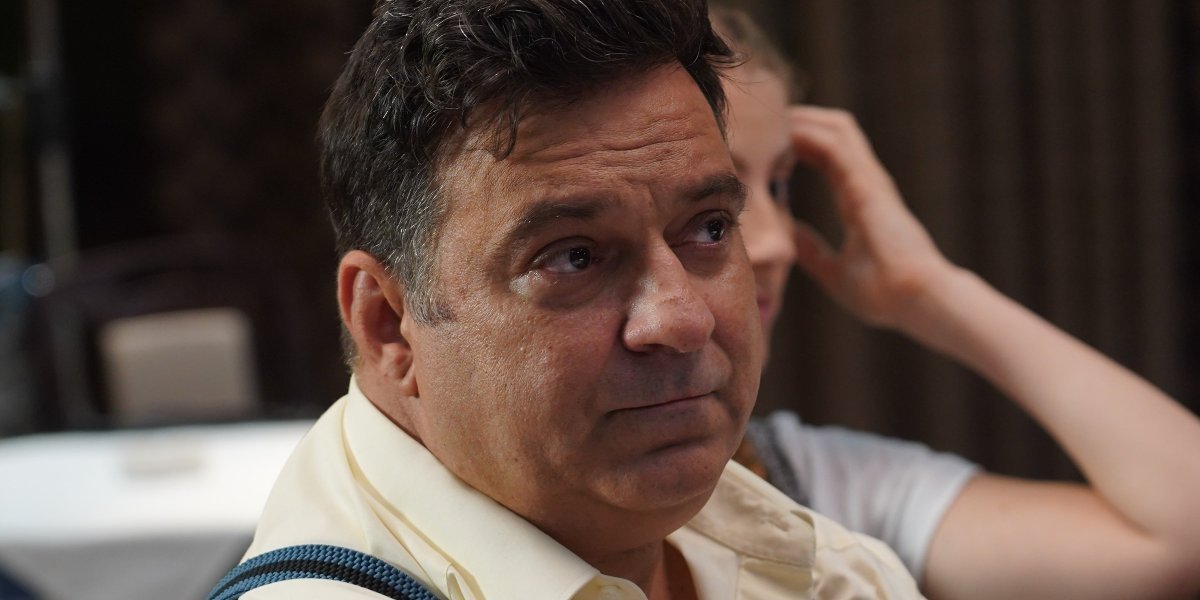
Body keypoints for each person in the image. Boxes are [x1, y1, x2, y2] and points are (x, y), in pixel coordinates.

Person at [227, 1, 925, 598]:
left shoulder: (831, 573)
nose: (681, 318)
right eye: (575, 257)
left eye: (710, 228)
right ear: (388, 325)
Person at [712, 7, 1200, 599]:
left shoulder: (817, 482)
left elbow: (1185, 537)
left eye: (781, 185)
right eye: (716, 208)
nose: (778, 242)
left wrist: (931, 291)